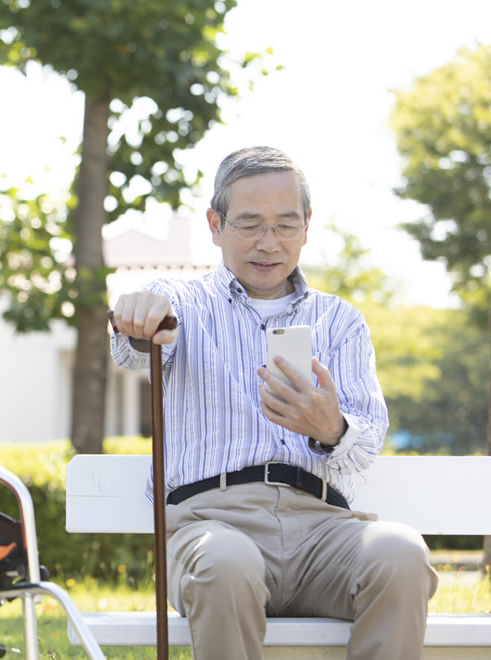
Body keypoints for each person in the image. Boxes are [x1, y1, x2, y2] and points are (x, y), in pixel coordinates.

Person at [109, 146, 438, 660]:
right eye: (249, 224)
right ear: (215, 225)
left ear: (307, 226)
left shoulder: (340, 320)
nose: (269, 243)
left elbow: (363, 447)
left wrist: (331, 428)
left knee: (401, 554)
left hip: (323, 529)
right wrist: (137, 316)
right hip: (212, 525)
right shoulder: (184, 302)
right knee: (227, 560)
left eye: (286, 225)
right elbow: (131, 347)